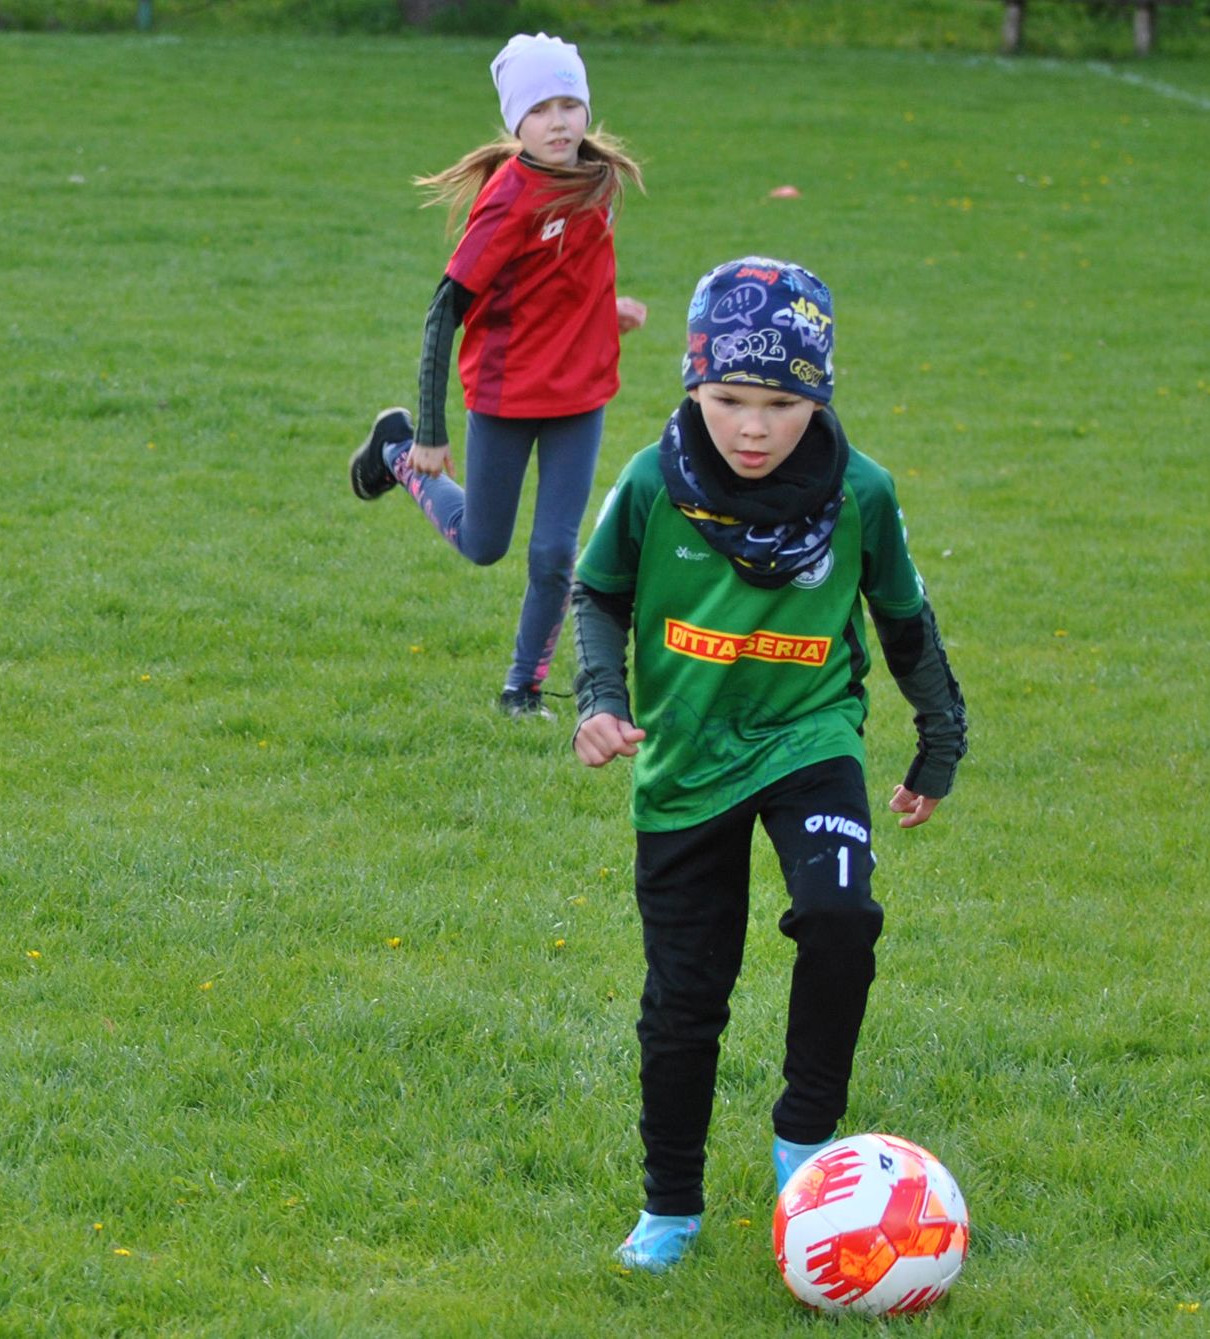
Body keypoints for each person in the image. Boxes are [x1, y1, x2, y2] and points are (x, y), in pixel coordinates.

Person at [569, 257, 968, 1272]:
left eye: (780, 403)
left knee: (841, 919)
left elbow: (905, 623)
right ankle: (670, 1208)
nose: (751, 427)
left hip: (807, 736)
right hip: (687, 756)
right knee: (684, 995)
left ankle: (807, 1145)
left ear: (818, 392)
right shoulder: (655, 478)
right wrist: (602, 702)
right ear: (692, 386)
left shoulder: (861, 492)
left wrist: (938, 737)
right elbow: (598, 591)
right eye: (726, 399)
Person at [347, 32, 647, 720]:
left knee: (554, 553)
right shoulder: (510, 200)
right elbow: (441, 311)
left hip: (579, 397)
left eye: (571, 103)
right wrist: (426, 431)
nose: (560, 121)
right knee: (485, 544)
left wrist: (608, 309)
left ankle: (523, 689)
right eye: (542, 108)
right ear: (518, 120)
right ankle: (394, 454)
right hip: (506, 397)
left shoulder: (593, 180)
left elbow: (568, 275)